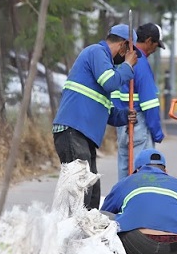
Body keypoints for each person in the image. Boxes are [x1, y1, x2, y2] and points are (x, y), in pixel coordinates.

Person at [52, 24, 138, 209]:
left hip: (83, 135)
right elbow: (110, 82)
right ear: (124, 46)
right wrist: (128, 65)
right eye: (130, 52)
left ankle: (85, 234)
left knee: (91, 193)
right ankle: (72, 233)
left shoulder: (104, 64)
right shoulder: (97, 52)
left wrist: (125, 116)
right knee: (81, 190)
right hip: (72, 130)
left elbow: (106, 111)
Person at [112, 22, 166, 181]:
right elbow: (150, 103)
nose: (154, 50)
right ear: (149, 41)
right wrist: (157, 132)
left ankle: (122, 203)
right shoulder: (140, 62)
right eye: (156, 45)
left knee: (124, 173)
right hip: (137, 124)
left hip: (122, 123)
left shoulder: (122, 59)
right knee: (142, 172)